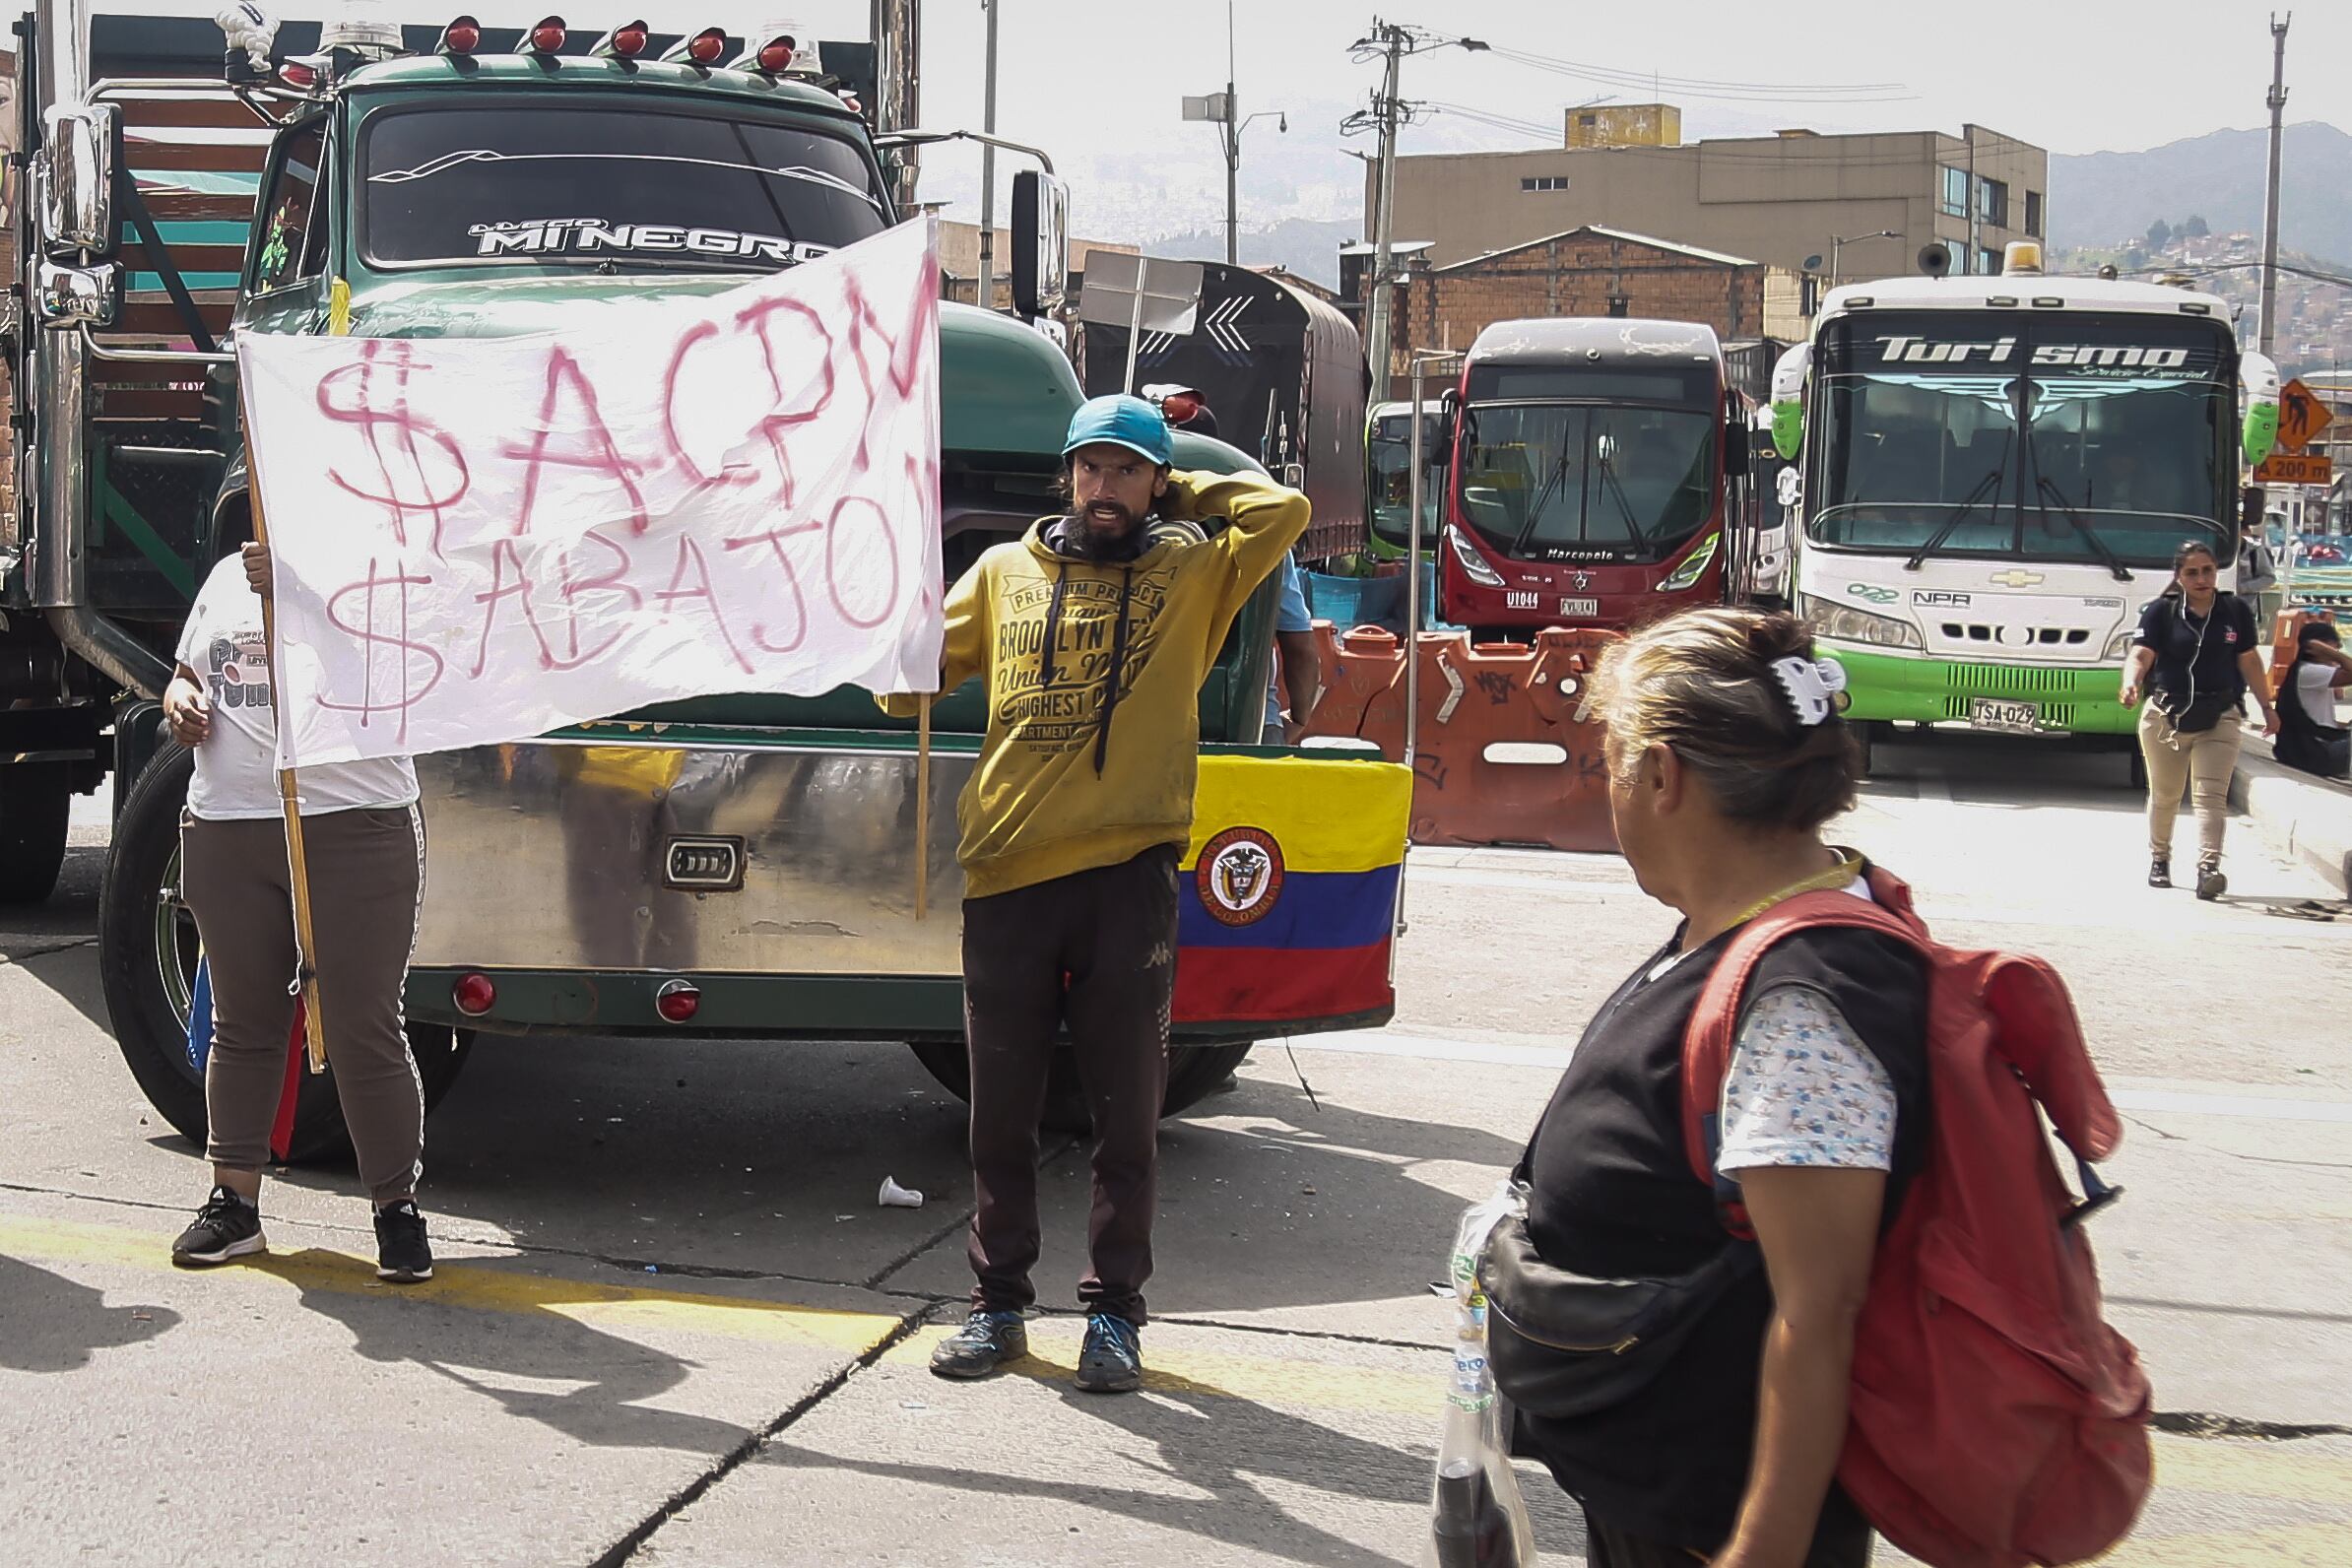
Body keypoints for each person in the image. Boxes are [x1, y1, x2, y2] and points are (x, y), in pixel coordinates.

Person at [882, 394, 1309, 1392]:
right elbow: (903, 681)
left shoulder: (1198, 569)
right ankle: (997, 1306)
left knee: (1126, 1115)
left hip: (1128, 876)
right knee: (1000, 1114)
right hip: (1007, 873)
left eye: (1128, 470)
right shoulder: (1002, 573)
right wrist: (887, 640)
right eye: (1091, 468)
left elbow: (1280, 512)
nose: (1105, 487)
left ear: (1156, 483)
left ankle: (1114, 1315)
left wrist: (1189, 484)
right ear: (1065, 476)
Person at [1515, 607, 1927, 1568]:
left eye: (1611, 758)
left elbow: (1818, 1308)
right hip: (1651, 1486)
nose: (1606, 785)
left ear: (1662, 775)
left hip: (1714, 1521)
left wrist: (1762, 1550)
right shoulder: (1739, 919)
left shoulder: (1806, 999)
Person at [161, 539, 434, 1281]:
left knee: (359, 1022)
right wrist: (180, 699)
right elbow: (188, 672)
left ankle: (395, 1208)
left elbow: (408, 673)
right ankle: (233, 1203)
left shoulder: (375, 566)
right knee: (242, 1020)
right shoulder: (223, 577)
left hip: (352, 821)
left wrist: (299, 590)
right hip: (229, 824)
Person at [2120, 540, 2280, 899]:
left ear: (2216, 572)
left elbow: (2249, 661)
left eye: (2207, 570)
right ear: (2179, 576)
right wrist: (2131, 682)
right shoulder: (2161, 612)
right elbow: (2141, 654)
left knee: (2210, 797)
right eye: (2192, 572)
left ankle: (2209, 868)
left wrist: (2267, 707)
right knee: (2166, 795)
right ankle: (2159, 859)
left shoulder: (2234, 611)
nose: (2201, 578)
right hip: (2165, 716)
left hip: (2220, 715)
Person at [2274, 621, 2351, 780]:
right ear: (2317, 647)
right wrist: (2334, 655)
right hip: (2319, 752)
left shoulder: (2307, 671)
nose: (2338, 647)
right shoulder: (2309, 671)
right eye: (2333, 645)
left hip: (2315, 749)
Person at [1263, 554, 1321, 745]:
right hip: (1256, 720)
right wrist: (1299, 718)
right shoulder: (1269, 538)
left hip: (1172, 717)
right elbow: (1300, 649)